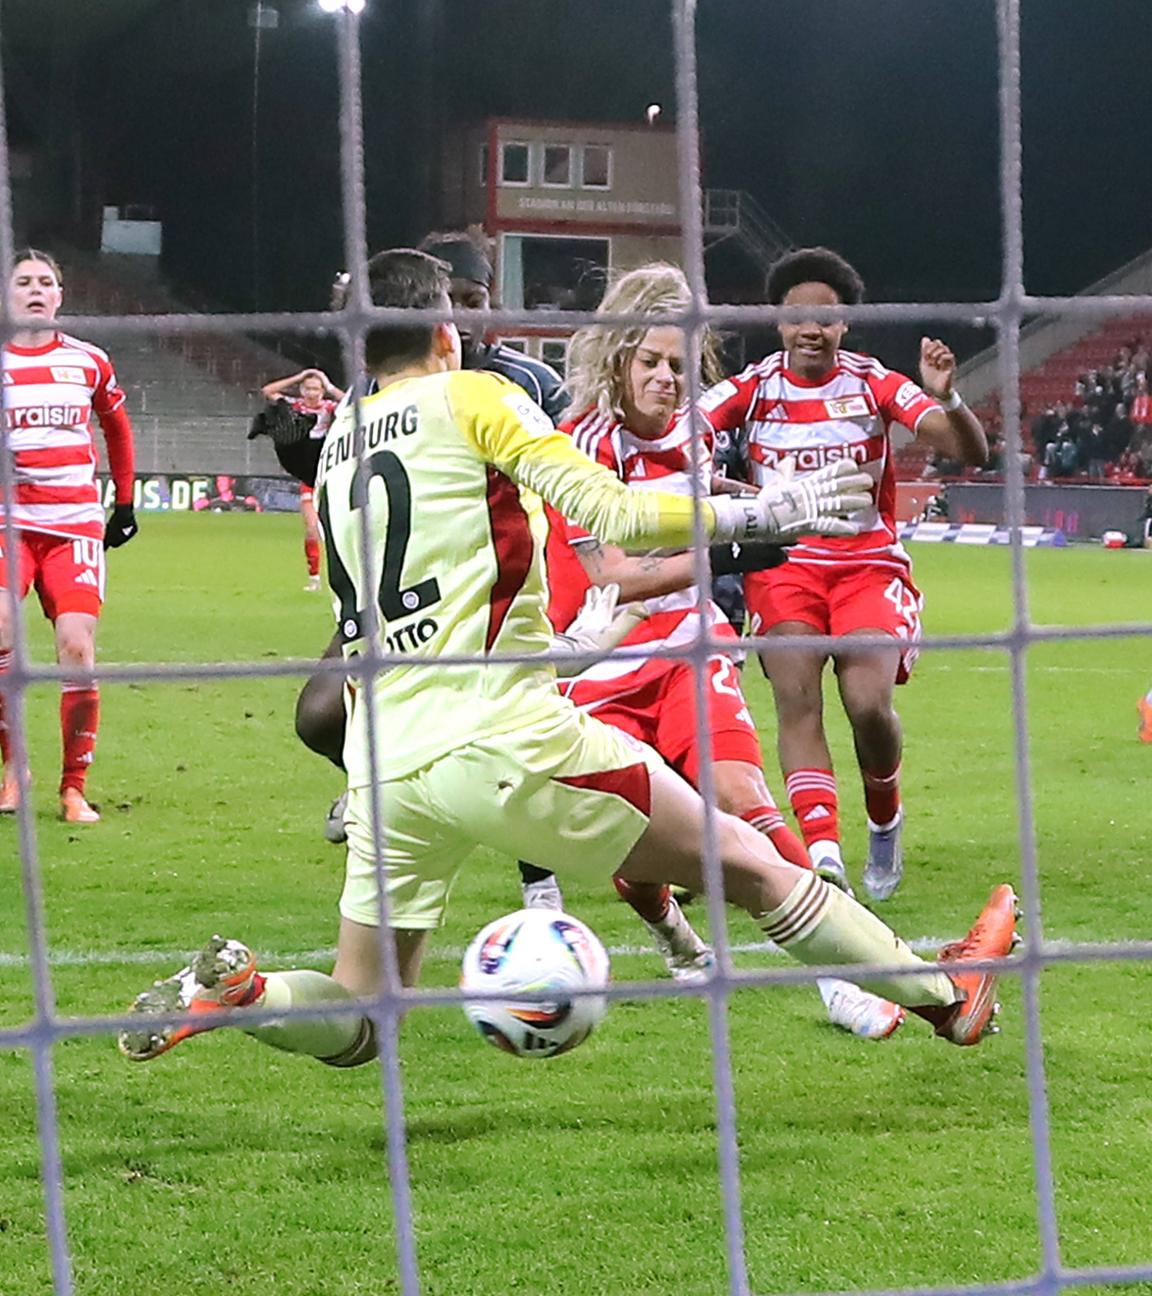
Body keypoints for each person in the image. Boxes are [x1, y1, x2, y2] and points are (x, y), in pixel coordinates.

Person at [118, 247, 1017, 1069]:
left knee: (360, 1015)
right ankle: (948, 997)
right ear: (445, 330)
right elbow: (616, 513)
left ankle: (245, 997)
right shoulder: (473, 396)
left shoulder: (344, 440)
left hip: (384, 760)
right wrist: (768, 511)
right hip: (497, 732)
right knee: (748, 860)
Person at [545, 262, 904, 1038]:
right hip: (597, 666)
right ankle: (673, 934)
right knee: (631, 846)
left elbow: (707, 512)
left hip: (689, 645)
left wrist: (776, 504)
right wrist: (740, 541)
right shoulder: (579, 446)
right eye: (651, 362)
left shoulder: (699, 435)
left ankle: (842, 980)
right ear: (618, 358)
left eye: (680, 366)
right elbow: (614, 576)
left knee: (745, 799)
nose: (667, 380)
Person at [693, 247, 988, 901]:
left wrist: (948, 396)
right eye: (798, 317)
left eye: (825, 319)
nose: (811, 330)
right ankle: (824, 855)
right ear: (777, 322)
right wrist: (718, 481)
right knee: (797, 699)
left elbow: (968, 449)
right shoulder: (752, 388)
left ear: (845, 324)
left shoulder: (873, 382)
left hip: (866, 566)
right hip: (785, 566)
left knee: (868, 705)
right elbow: (683, 434)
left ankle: (885, 816)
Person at [292, 229, 567, 845]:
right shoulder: (374, 392)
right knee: (319, 716)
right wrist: (301, 458)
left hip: (498, 583)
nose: (463, 318)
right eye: (453, 301)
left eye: (475, 301)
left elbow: (572, 479)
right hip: (401, 593)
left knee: (509, 733)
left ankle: (539, 877)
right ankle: (378, 781)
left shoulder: (528, 382)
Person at [0, 249, 138, 824]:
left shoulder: (88, 360)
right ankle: (15, 769)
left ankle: (73, 789)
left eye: (45, 282)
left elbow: (117, 428)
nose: (35, 290)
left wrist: (125, 502)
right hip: (8, 522)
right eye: (24, 282)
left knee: (77, 650)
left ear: (60, 295)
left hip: (73, 523)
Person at [260, 368, 344, 590]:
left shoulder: (329, 407)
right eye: (308, 388)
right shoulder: (295, 406)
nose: (312, 393)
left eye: (316, 389)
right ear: (301, 390)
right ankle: (314, 577)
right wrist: (299, 376)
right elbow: (268, 391)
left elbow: (354, 404)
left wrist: (329, 384)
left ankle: (345, 573)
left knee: (338, 528)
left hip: (329, 473)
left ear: (322, 391)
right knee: (311, 528)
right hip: (309, 475)